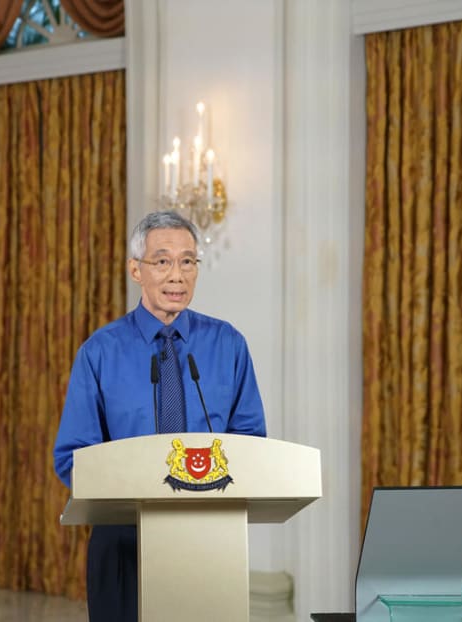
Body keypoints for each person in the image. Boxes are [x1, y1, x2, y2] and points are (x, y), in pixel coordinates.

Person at [53, 210, 266, 622]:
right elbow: (72, 457)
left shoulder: (228, 344)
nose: (177, 275)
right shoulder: (99, 352)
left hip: (209, 543)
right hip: (124, 543)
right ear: (136, 269)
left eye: (188, 261)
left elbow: (251, 444)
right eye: (163, 261)